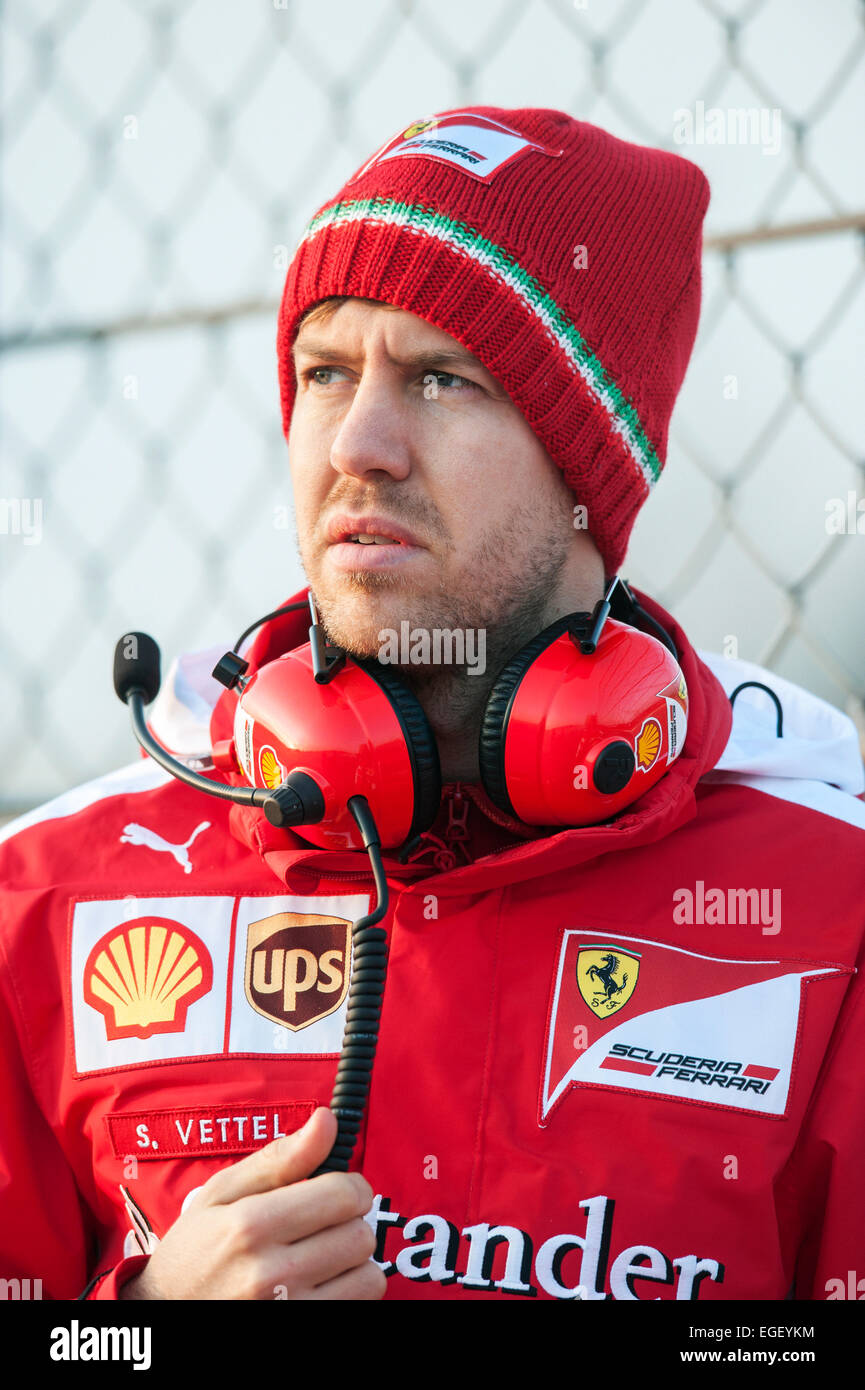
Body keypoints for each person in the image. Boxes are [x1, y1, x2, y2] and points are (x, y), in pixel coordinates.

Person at [1, 106, 863, 1303]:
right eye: (323, 372)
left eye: (441, 378)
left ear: (589, 469)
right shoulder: (48, 898)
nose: (359, 442)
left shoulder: (832, 914)